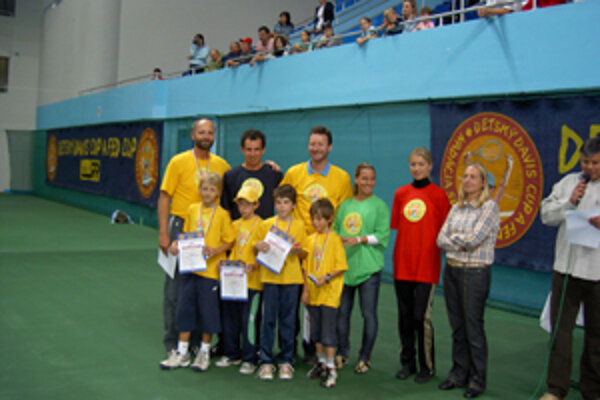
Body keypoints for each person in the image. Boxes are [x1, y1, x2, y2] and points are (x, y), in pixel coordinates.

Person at [157, 119, 231, 368]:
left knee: (203, 290)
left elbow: (241, 183)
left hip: (210, 232)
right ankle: (174, 346)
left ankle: (200, 345)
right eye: (201, 132)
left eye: (210, 132)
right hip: (183, 228)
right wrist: (164, 233)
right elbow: (164, 196)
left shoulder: (221, 165)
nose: (206, 135)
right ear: (193, 134)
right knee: (177, 290)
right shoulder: (178, 161)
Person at [539, 137, 600, 400]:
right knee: (560, 332)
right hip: (566, 269)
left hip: (597, 272)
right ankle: (556, 389)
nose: (590, 168)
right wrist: (569, 203)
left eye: (595, 163)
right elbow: (546, 215)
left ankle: (593, 389)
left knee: (596, 336)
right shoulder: (568, 183)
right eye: (585, 162)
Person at [436, 162, 500, 399]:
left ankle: (477, 378)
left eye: (474, 177)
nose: (468, 180)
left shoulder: (489, 208)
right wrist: (459, 242)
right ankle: (458, 373)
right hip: (452, 270)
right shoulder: (456, 207)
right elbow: (440, 238)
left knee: (473, 327)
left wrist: (457, 241)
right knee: (457, 326)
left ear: (483, 183)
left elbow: (474, 239)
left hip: (475, 273)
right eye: (466, 176)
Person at [390, 148, 450, 383]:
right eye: (413, 164)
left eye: (421, 164)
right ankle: (408, 362)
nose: (417, 168)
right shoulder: (401, 194)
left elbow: (445, 231)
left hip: (426, 266)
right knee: (404, 316)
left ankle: (427, 366)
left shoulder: (439, 196)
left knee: (419, 317)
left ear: (430, 166)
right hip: (402, 265)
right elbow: (398, 226)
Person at [333, 163, 390, 374]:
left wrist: (359, 239)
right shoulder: (345, 205)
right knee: (342, 314)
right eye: (364, 178)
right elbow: (336, 231)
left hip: (369, 270)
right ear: (356, 180)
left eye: (372, 179)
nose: (368, 183)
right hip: (345, 269)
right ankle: (342, 353)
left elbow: (382, 236)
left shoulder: (380, 206)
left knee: (369, 315)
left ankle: (365, 357)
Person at [254, 185, 308, 380]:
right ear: (274, 203)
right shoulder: (266, 224)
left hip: (291, 279)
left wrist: (298, 251)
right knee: (268, 319)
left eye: (286, 202)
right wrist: (257, 245)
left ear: (293, 205)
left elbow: (304, 252)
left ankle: (286, 360)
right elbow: (256, 246)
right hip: (269, 277)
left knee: (288, 320)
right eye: (279, 202)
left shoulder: (300, 226)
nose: (282, 206)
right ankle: (266, 361)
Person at [216, 185, 263, 374]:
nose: (243, 208)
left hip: (253, 283)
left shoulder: (262, 225)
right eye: (240, 204)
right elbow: (228, 248)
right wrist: (223, 264)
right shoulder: (234, 225)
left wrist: (255, 265)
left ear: (256, 205)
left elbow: (267, 254)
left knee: (249, 320)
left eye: (247, 204)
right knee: (230, 318)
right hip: (232, 282)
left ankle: (250, 358)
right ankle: (232, 353)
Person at [302, 198, 348, 388]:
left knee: (328, 333)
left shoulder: (336, 240)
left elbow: (341, 266)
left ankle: (331, 369)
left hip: (329, 294)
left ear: (330, 219)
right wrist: (305, 290)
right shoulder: (310, 239)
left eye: (320, 219)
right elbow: (305, 268)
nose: (316, 223)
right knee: (316, 333)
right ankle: (321, 363)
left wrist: (327, 277)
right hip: (313, 293)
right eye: (314, 219)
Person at [280, 125, 353, 235]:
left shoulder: (342, 178)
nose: (316, 148)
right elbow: (281, 205)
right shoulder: (293, 173)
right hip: (298, 241)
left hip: (327, 242)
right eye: (312, 144)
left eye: (320, 145)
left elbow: (346, 213)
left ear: (329, 147)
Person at [222, 129, 283, 220]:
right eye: (249, 150)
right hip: (238, 233)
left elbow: (285, 205)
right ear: (242, 149)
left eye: (257, 149)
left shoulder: (274, 174)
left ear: (263, 150)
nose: (253, 154)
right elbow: (226, 210)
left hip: (266, 232)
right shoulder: (230, 176)